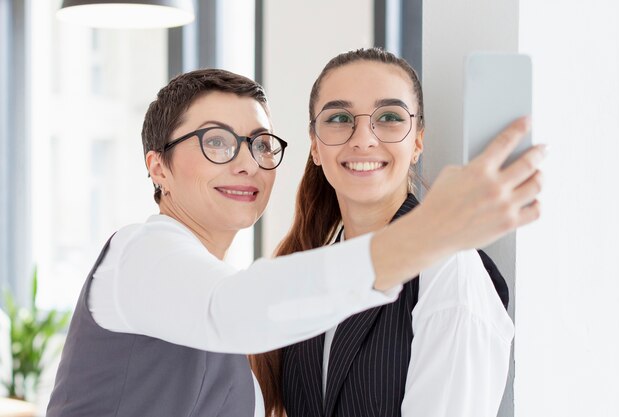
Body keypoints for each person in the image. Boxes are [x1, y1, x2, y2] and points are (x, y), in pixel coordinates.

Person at [47, 67, 543, 417]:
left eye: (260, 144)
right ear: (159, 168)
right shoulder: (141, 254)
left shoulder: (223, 300)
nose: (246, 162)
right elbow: (236, 310)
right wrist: (434, 228)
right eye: (216, 141)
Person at [251, 48, 543, 417]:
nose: (363, 139)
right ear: (315, 146)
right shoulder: (313, 276)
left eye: (388, 117)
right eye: (339, 118)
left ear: (417, 141)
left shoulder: (448, 269)